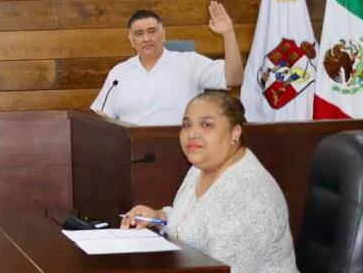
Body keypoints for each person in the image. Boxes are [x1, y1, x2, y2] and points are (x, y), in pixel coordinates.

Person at [120, 92, 297, 273]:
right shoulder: (200, 168)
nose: (193, 133)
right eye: (186, 125)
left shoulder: (247, 191)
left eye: (206, 124)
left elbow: (230, 270)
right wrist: (158, 218)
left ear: (235, 132)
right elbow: (193, 223)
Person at [90, 1, 243, 126]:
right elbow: (101, 116)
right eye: (139, 34)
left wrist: (228, 34)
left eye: (152, 31)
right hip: (132, 153)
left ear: (163, 34)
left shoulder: (189, 62)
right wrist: (100, 120)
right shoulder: (119, 73)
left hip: (181, 150)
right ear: (131, 40)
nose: (146, 38)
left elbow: (233, 78)